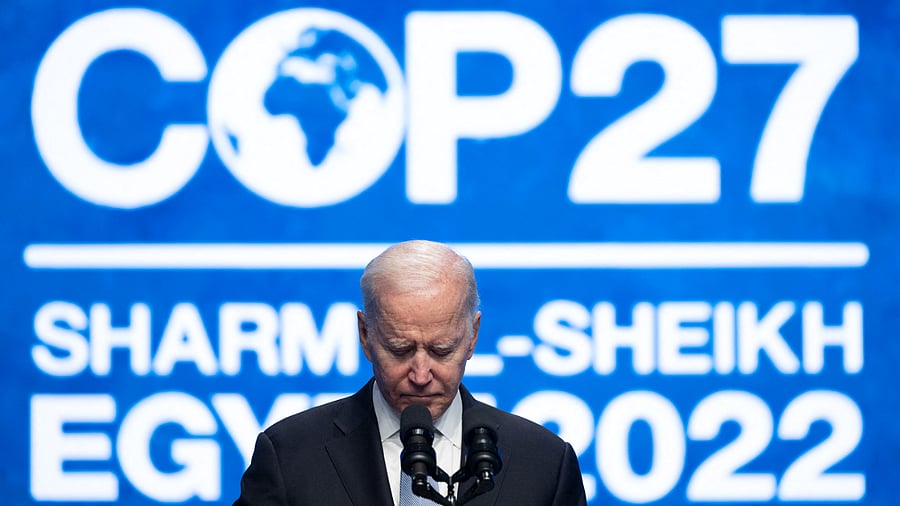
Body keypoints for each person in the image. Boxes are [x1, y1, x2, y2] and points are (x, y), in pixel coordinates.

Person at [234, 240, 587, 505]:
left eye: (441, 350)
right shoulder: (290, 456)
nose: (420, 374)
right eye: (400, 350)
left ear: (473, 336)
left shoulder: (544, 463)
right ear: (365, 335)